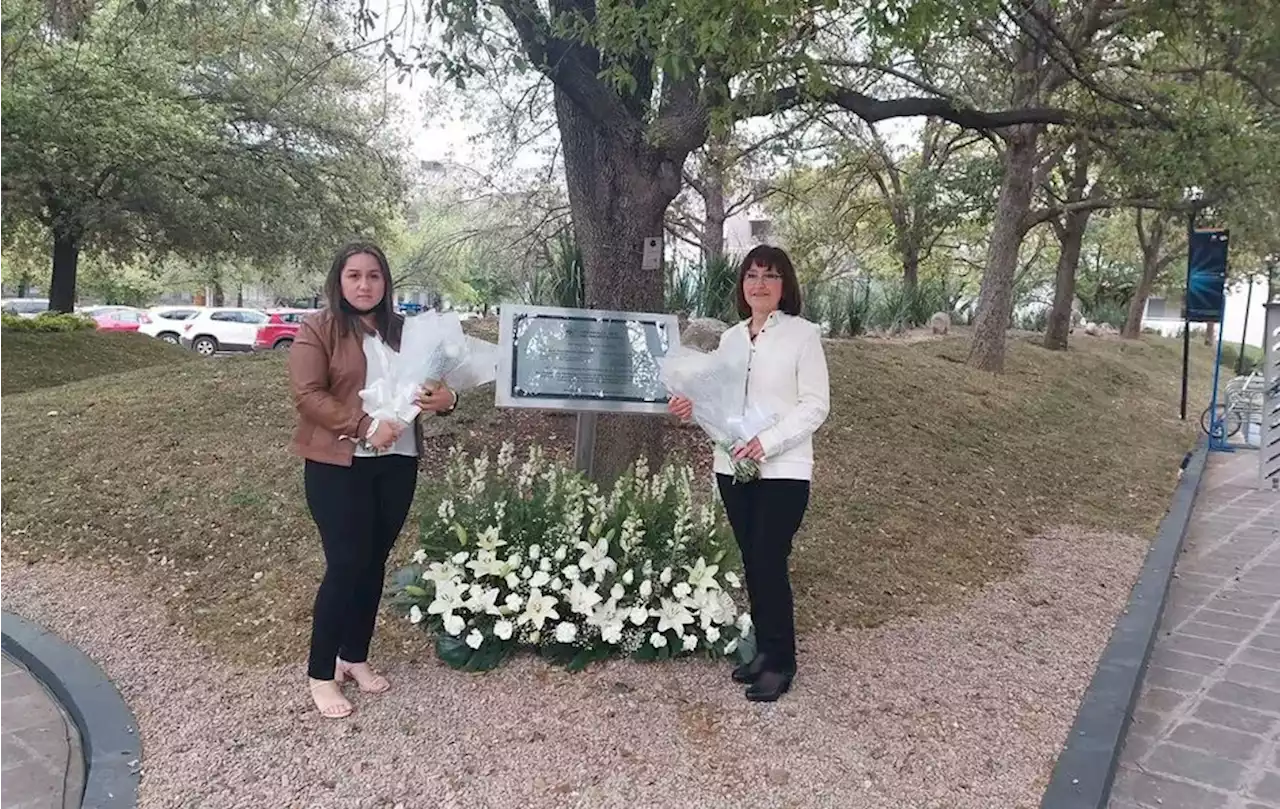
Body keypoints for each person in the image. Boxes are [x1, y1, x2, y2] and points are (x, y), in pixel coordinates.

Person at [288, 242, 459, 719]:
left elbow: (437, 385)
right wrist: (364, 427)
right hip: (338, 464)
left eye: (374, 277)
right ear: (339, 282)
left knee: (374, 561)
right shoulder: (317, 328)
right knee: (346, 564)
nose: (364, 285)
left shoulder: (405, 332)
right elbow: (307, 395)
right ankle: (321, 674)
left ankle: (354, 656)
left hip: (397, 462)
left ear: (386, 284)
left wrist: (446, 399)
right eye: (354, 276)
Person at [668, 244, 830, 702]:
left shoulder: (803, 336)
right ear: (743, 285)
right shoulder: (733, 339)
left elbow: (816, 405)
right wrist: (690, 408)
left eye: (771, 276)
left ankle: (782, 661)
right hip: (733, 468)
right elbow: (721, 403)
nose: (759, 283)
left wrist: (768, 442)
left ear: (785, 286)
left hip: (784, 469)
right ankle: (764, 650)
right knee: (752, 560)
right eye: (752, 275)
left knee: (768, 557)